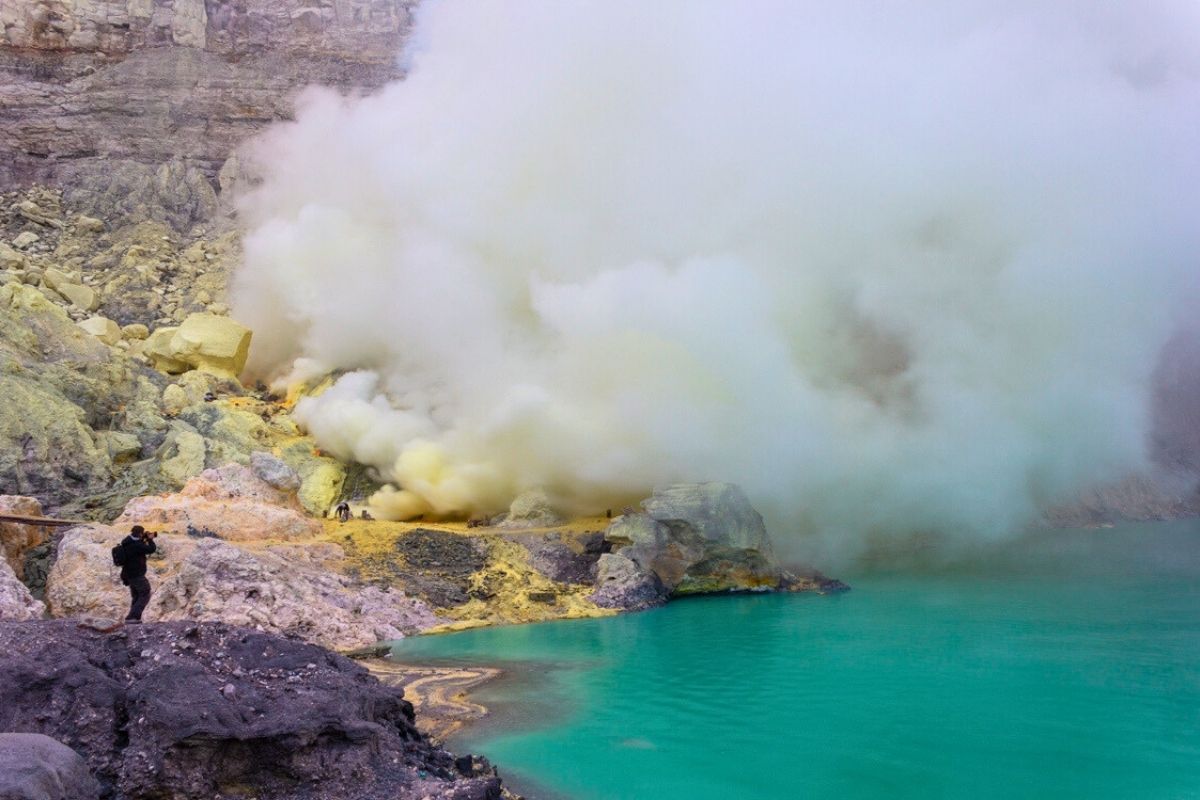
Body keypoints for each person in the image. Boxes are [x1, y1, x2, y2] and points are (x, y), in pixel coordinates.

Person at [120, 525, 157, 624]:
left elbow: (138, 547)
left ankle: (134, 619)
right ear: (140, 533)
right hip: (136, 574)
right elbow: (151, 549)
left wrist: (143, 539)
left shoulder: (127, 542)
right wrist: (150, 540)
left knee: (136, 595)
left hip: (128, 574)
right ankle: (132, 617)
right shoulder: (136, 545)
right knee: (145, 592)